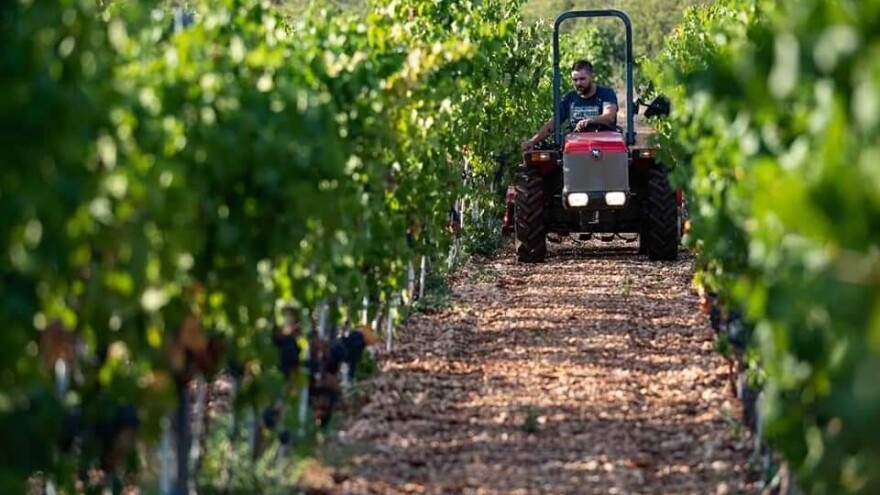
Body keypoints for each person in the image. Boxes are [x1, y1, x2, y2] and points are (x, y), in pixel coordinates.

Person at [521, 60, 619, 151]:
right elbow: (554, 122)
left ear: (592, 77)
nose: (578, 83)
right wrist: (533, 141)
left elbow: (609, 116)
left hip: (603, 144)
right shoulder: (569, 98)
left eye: (582, 79)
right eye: (575, 80)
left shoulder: (606, 94)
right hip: (576, 145)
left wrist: (590, 120)